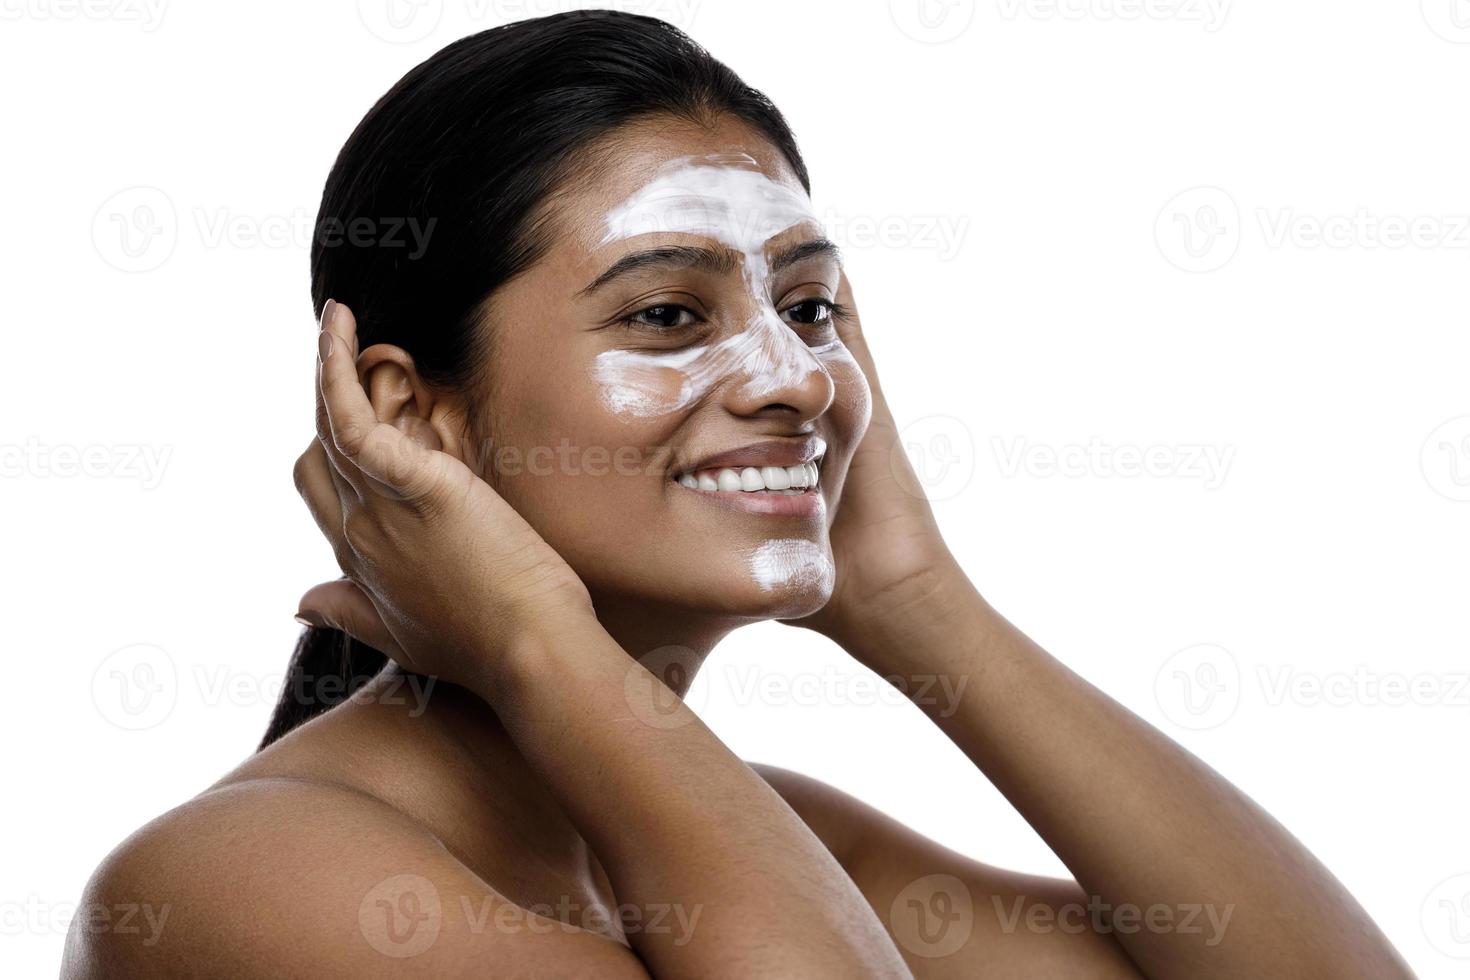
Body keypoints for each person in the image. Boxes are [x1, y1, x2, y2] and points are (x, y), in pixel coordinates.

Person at [64, 11, 1412, 978]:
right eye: (664, 312)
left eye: (810, 306)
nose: (794, 376)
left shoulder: (772, 838)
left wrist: (917, 602)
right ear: (413, 415)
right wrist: (539, 643)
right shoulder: (241, 881)